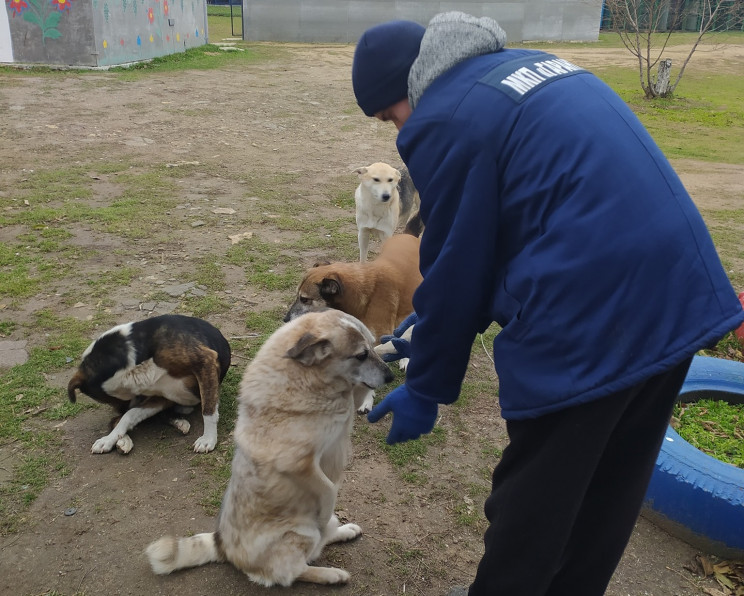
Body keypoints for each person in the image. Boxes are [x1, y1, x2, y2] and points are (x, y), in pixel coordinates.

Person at [351, 11, 744, 596]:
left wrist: (428, 384)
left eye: (389, 114)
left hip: (597, 319)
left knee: (531, 506)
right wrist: (427, 324)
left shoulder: (443, 116)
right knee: (609, 493)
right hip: (679, 298)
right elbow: (506, 223)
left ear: (410, 85)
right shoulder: (533, 68)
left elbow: (458, 264)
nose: (397, 131)